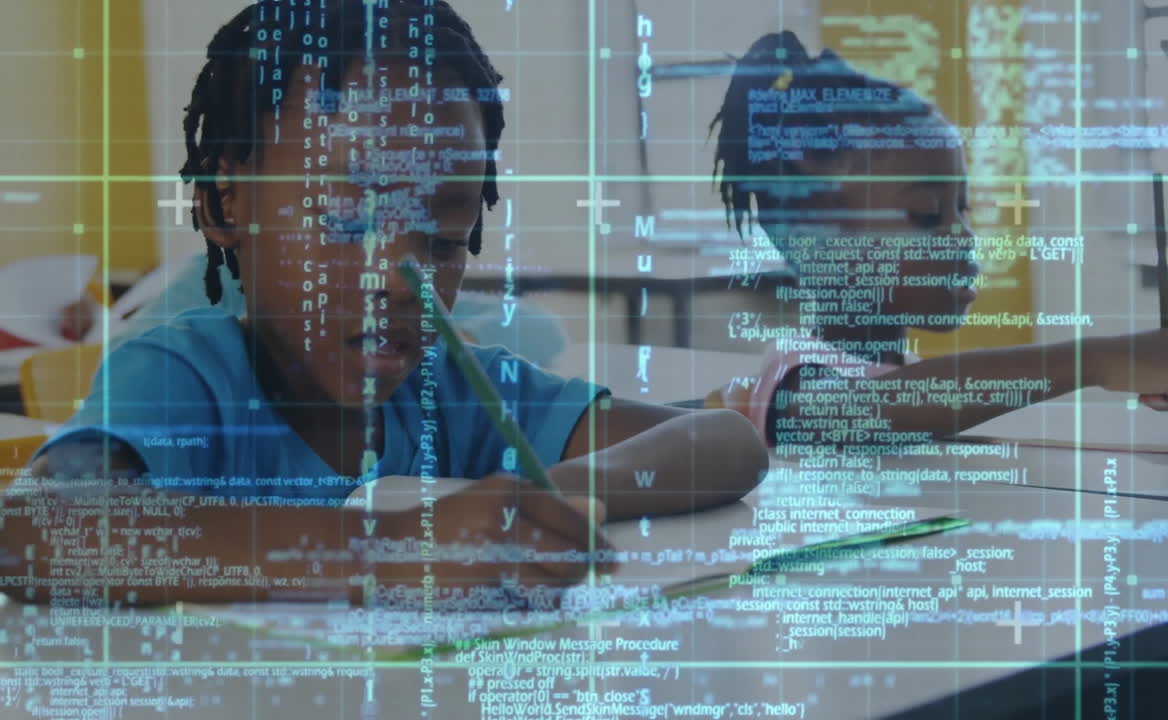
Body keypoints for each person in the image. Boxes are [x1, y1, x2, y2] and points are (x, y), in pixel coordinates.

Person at [6, 0, 768, 608]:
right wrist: (396, 547)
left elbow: (723, 440)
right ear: (224, 203)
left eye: (444, 239)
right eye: (347, 221)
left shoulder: (454, 391)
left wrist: (530, 501)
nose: (404, 280)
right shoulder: (185, 376)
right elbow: (32, 532)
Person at [703, 32, 1168, 449]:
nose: (962, 234)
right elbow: (880, 408)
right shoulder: (801, 380)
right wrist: (1097, 361)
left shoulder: (902, 371)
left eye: (962, 207)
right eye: (924, 215)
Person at [58, 253, 571, 367]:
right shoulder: (224, 275)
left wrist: (445, 343)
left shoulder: (394, 276)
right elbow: (125, 356)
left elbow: (537, 327)